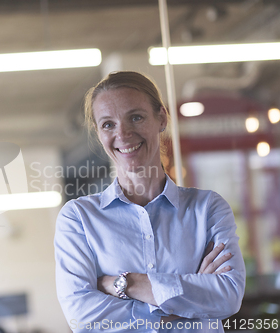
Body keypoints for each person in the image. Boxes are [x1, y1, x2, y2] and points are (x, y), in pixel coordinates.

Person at [54, 71, 246, 332]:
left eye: (136, 117)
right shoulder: (78, 218)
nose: (123, 133)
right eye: (108, 124)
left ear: (162, 118)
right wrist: (187, 302)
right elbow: (83, 317)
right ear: (99, 134)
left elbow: (228, 295)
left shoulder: (207, 208)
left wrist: (126, 284)